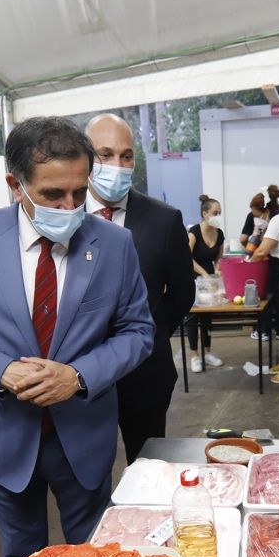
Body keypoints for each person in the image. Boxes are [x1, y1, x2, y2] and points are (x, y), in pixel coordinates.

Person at [0, 117, 154, 557]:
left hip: (82, 436)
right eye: (53, 195)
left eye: (79, 192)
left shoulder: (114, 244)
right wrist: (2, 372)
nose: (71, 207)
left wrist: (79, 376)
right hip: (4, 436)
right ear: (15, 185)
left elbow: (138, 332)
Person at [84, 113, 194, 462]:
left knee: (146, 467)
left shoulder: (163, 219)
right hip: (81, 373)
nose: (117, 165)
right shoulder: (64, 217)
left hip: (145, 373)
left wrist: (146, 337)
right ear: (85, 156)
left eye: (126, 155)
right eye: (105, 154)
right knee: (87, 472)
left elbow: (180, 294)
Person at [247, 186, 279, 382]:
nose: (257, 221)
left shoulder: (277, 221)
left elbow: (261, 251)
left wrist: (246, 266)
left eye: (257, 216)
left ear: (264, 211)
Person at [185, 194, 225, 373]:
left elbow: (219, 258)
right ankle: (194, 355)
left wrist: (217, 271)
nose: (218, 216)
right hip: (193, 278)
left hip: (210, 279)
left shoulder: (220, 233)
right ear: (205, 214)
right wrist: (203, 275)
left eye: (220, 213)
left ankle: (207, 352)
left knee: (208, 316)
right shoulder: (193, 232)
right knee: (193, 316)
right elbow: (186, 258)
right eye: (215, 212)